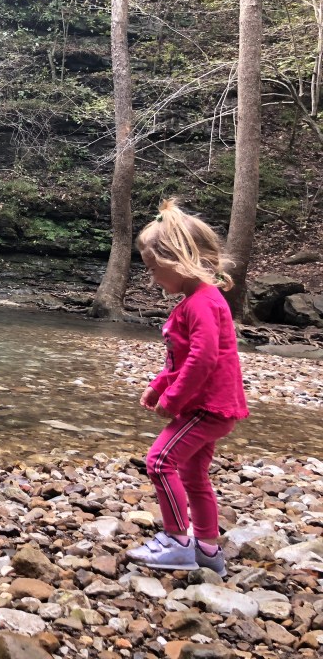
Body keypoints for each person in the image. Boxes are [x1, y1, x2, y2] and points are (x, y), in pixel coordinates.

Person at [125, 198, 249, 575]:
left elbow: (204, 358)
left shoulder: (201, 303)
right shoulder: (197, 301)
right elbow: (180, 357)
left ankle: (178, 541)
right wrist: (158, 385)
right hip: (210, 405)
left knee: (160, 462)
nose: (151, 278)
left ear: (177, 259)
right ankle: (208, 551)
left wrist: (173, 398)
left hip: (207, 407)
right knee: (194, 474)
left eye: (152, 268)